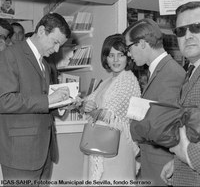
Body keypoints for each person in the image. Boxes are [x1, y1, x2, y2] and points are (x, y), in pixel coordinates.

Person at [0, 13, 71, 186]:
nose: (56, 50)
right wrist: (48, 100)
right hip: (20, 154)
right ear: (41, 31)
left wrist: (62, 103)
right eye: (55, 42)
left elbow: (41, 102)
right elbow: (4, 100)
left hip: (43, 152)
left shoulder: (44, 64)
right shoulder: (10, 55)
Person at [123, 18, 185, 186]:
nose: (128, 54)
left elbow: (168, 128)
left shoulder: (171, 73)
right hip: (152, 163)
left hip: (162, 166)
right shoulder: (158, 70)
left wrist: (134, 124)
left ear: (142, 43)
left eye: (129, 48)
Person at [82, 33, 141, 182]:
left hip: (118, 146)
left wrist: (91, 110)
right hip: (102, 143)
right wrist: (85, 105)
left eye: (120, 55)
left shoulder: (128, 79)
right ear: (105, 58)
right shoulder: (108, 81)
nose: (115, 60)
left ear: (128, 56)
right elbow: (89, 101)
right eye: (111, 55)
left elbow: (110, 114)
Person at [161, 1, 200, 186]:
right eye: (181, 31)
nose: (188, 35)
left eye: (197, 27)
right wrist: (177, 162)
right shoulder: (190, 72)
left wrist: (188, 156)